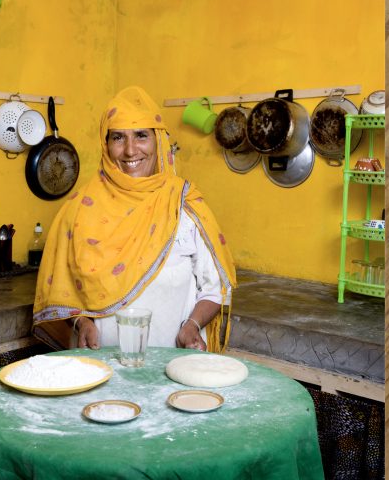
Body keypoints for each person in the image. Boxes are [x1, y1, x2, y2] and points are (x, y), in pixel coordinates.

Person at [32, 86, 237, 353]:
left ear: (158, 140)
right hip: (102, 370)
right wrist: (81, 323)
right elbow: (64, 290)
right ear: (105, 145)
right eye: (118, 137)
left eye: (141, 135)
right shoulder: (79, 210)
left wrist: (192, 326)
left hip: (175, 366)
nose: (130, 150)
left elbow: (215, 288)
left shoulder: (183, 205)